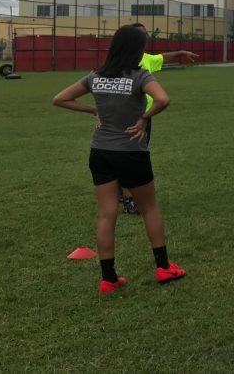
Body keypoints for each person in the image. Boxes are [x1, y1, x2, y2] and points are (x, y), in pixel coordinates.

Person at [52, 24, 186, 294]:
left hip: (100, 151)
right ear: (136, 50)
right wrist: (144, 118)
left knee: (106, 213)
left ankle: (108, 278)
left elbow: (60, 99)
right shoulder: (140, 75)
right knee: (149, 208)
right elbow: (163, 99)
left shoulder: (96, 76)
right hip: (130, 151)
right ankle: (163, 267)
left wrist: (93, 109)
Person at [118, 24, 199, 215]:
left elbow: (162, 58)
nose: (144, 39)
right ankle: (129, 200)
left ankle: (125, 194)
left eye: (145, 35)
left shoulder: (146, 59)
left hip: (145, 117)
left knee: (135, 156)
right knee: (127, 158)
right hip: (125, 116)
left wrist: (180, 52)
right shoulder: (118, 63)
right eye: (141, 35)